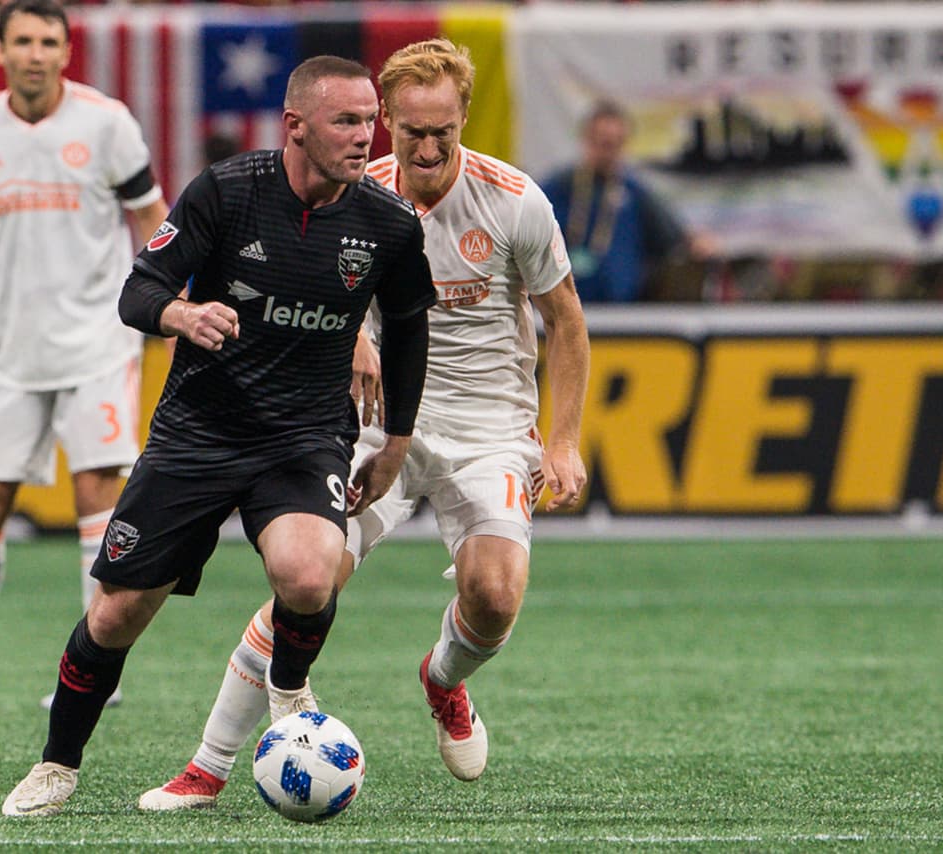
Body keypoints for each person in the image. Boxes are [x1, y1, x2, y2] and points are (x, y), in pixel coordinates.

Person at [137, 37, 590, 811]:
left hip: (489, 425)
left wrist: (566, 440)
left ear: (463, 118)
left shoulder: (514, 200)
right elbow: (306, 277)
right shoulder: (359, 193)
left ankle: (443, 681)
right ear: (386, 124)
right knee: (307, 583)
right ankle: (206, 769)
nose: (425, 147)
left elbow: (567, 325)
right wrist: (356, 338)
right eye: (409, 131)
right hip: (376, 424)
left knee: (495, 595)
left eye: (441, 131)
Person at [0, 54, 435, 818]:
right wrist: (181, 315)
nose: (367, 136)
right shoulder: (228, 192)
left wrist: (395, 442)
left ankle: (289, 685)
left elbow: (407, 331)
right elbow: (141, 291)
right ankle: (57, 764)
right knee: (114, 617)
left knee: (309, 576)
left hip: (304, 437)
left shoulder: (389, 223)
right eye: (347, 121)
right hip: (197, 434)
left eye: (371, 121)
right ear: (295, 126)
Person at [0, 0, 169, 712]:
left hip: (99, 341)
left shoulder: (106, 122)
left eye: (49, 42)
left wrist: (163, 302)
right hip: (12, 349)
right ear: (0, 51)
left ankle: (95, 663)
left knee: (97, 496)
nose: (36, 53)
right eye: (23, 41)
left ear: (66, 52)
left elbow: (152, 215)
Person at [542, 99, 715, 302]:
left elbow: (675, 237)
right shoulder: (557, 188)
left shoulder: (635, 192)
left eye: (616, 144)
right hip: (562, 309)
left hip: (622, 315)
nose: (609, 152)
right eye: (604, 143)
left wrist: (696, 242)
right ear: (587, 140)